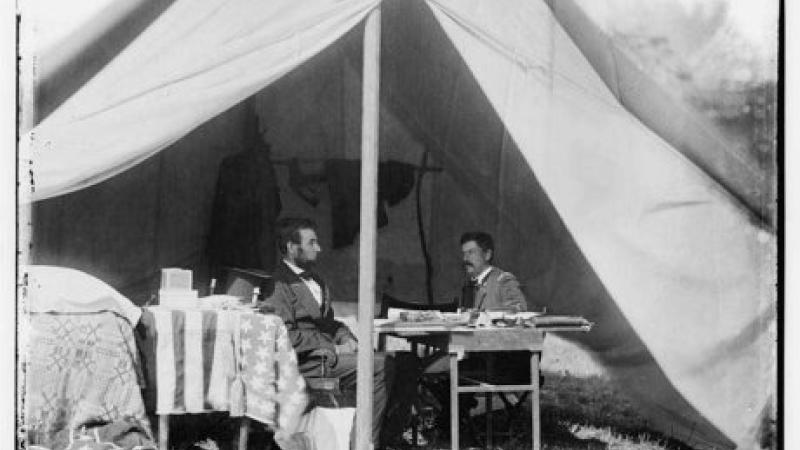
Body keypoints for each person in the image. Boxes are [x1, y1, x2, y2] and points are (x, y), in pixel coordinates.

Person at [260, 217, 416, 447]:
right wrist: (333, 347)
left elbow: (329, 322)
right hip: (306, 362)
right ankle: (362, 443)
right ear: (293, 248)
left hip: (327, 356)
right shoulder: (277, 284)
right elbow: (286, 337)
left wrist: (346, 337)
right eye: (312, 243)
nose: (319, 248)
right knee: (380, 366)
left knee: (406, 362)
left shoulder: (318, 280)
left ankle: (386, 437)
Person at [459, 231, 526, 312]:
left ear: (487, 255)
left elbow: (518, 310)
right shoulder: (469, 284)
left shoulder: (503, 280)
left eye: (471, 252)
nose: (465, 258)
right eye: (464, 253)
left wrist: (486, 314)